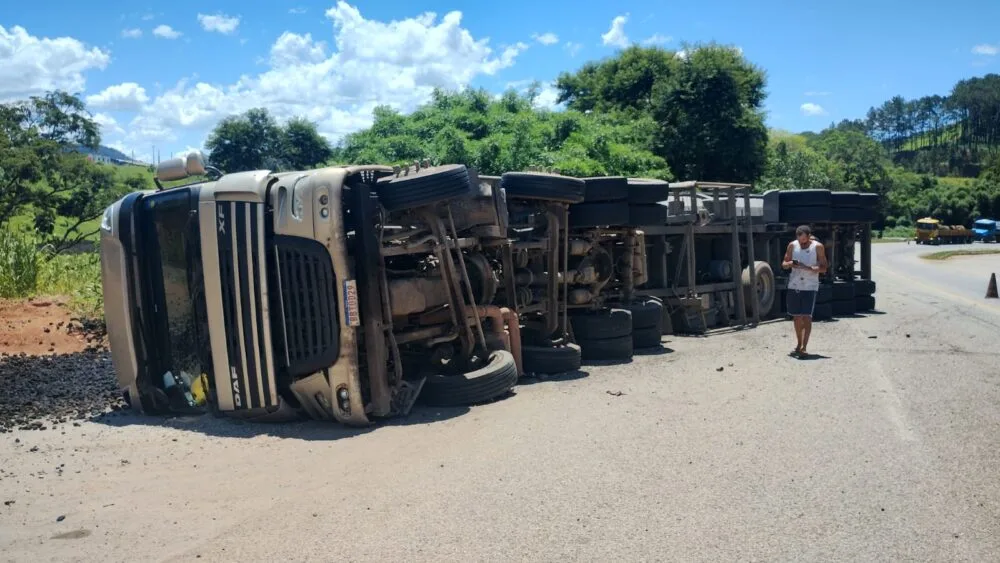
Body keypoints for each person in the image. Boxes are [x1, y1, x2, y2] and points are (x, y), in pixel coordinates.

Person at [781, 225, 827, 358]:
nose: (802, 244)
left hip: (810, 286)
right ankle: (798, 343)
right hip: (794, 284)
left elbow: (824, 267)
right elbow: (783, 263)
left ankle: (804, 346)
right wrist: (790, 264)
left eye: (805, 242)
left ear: (809, 237)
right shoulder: (792, 246)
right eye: (800, 242)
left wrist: (812, 268)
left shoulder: (818, 247)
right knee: (796, 317)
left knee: (807, 316)